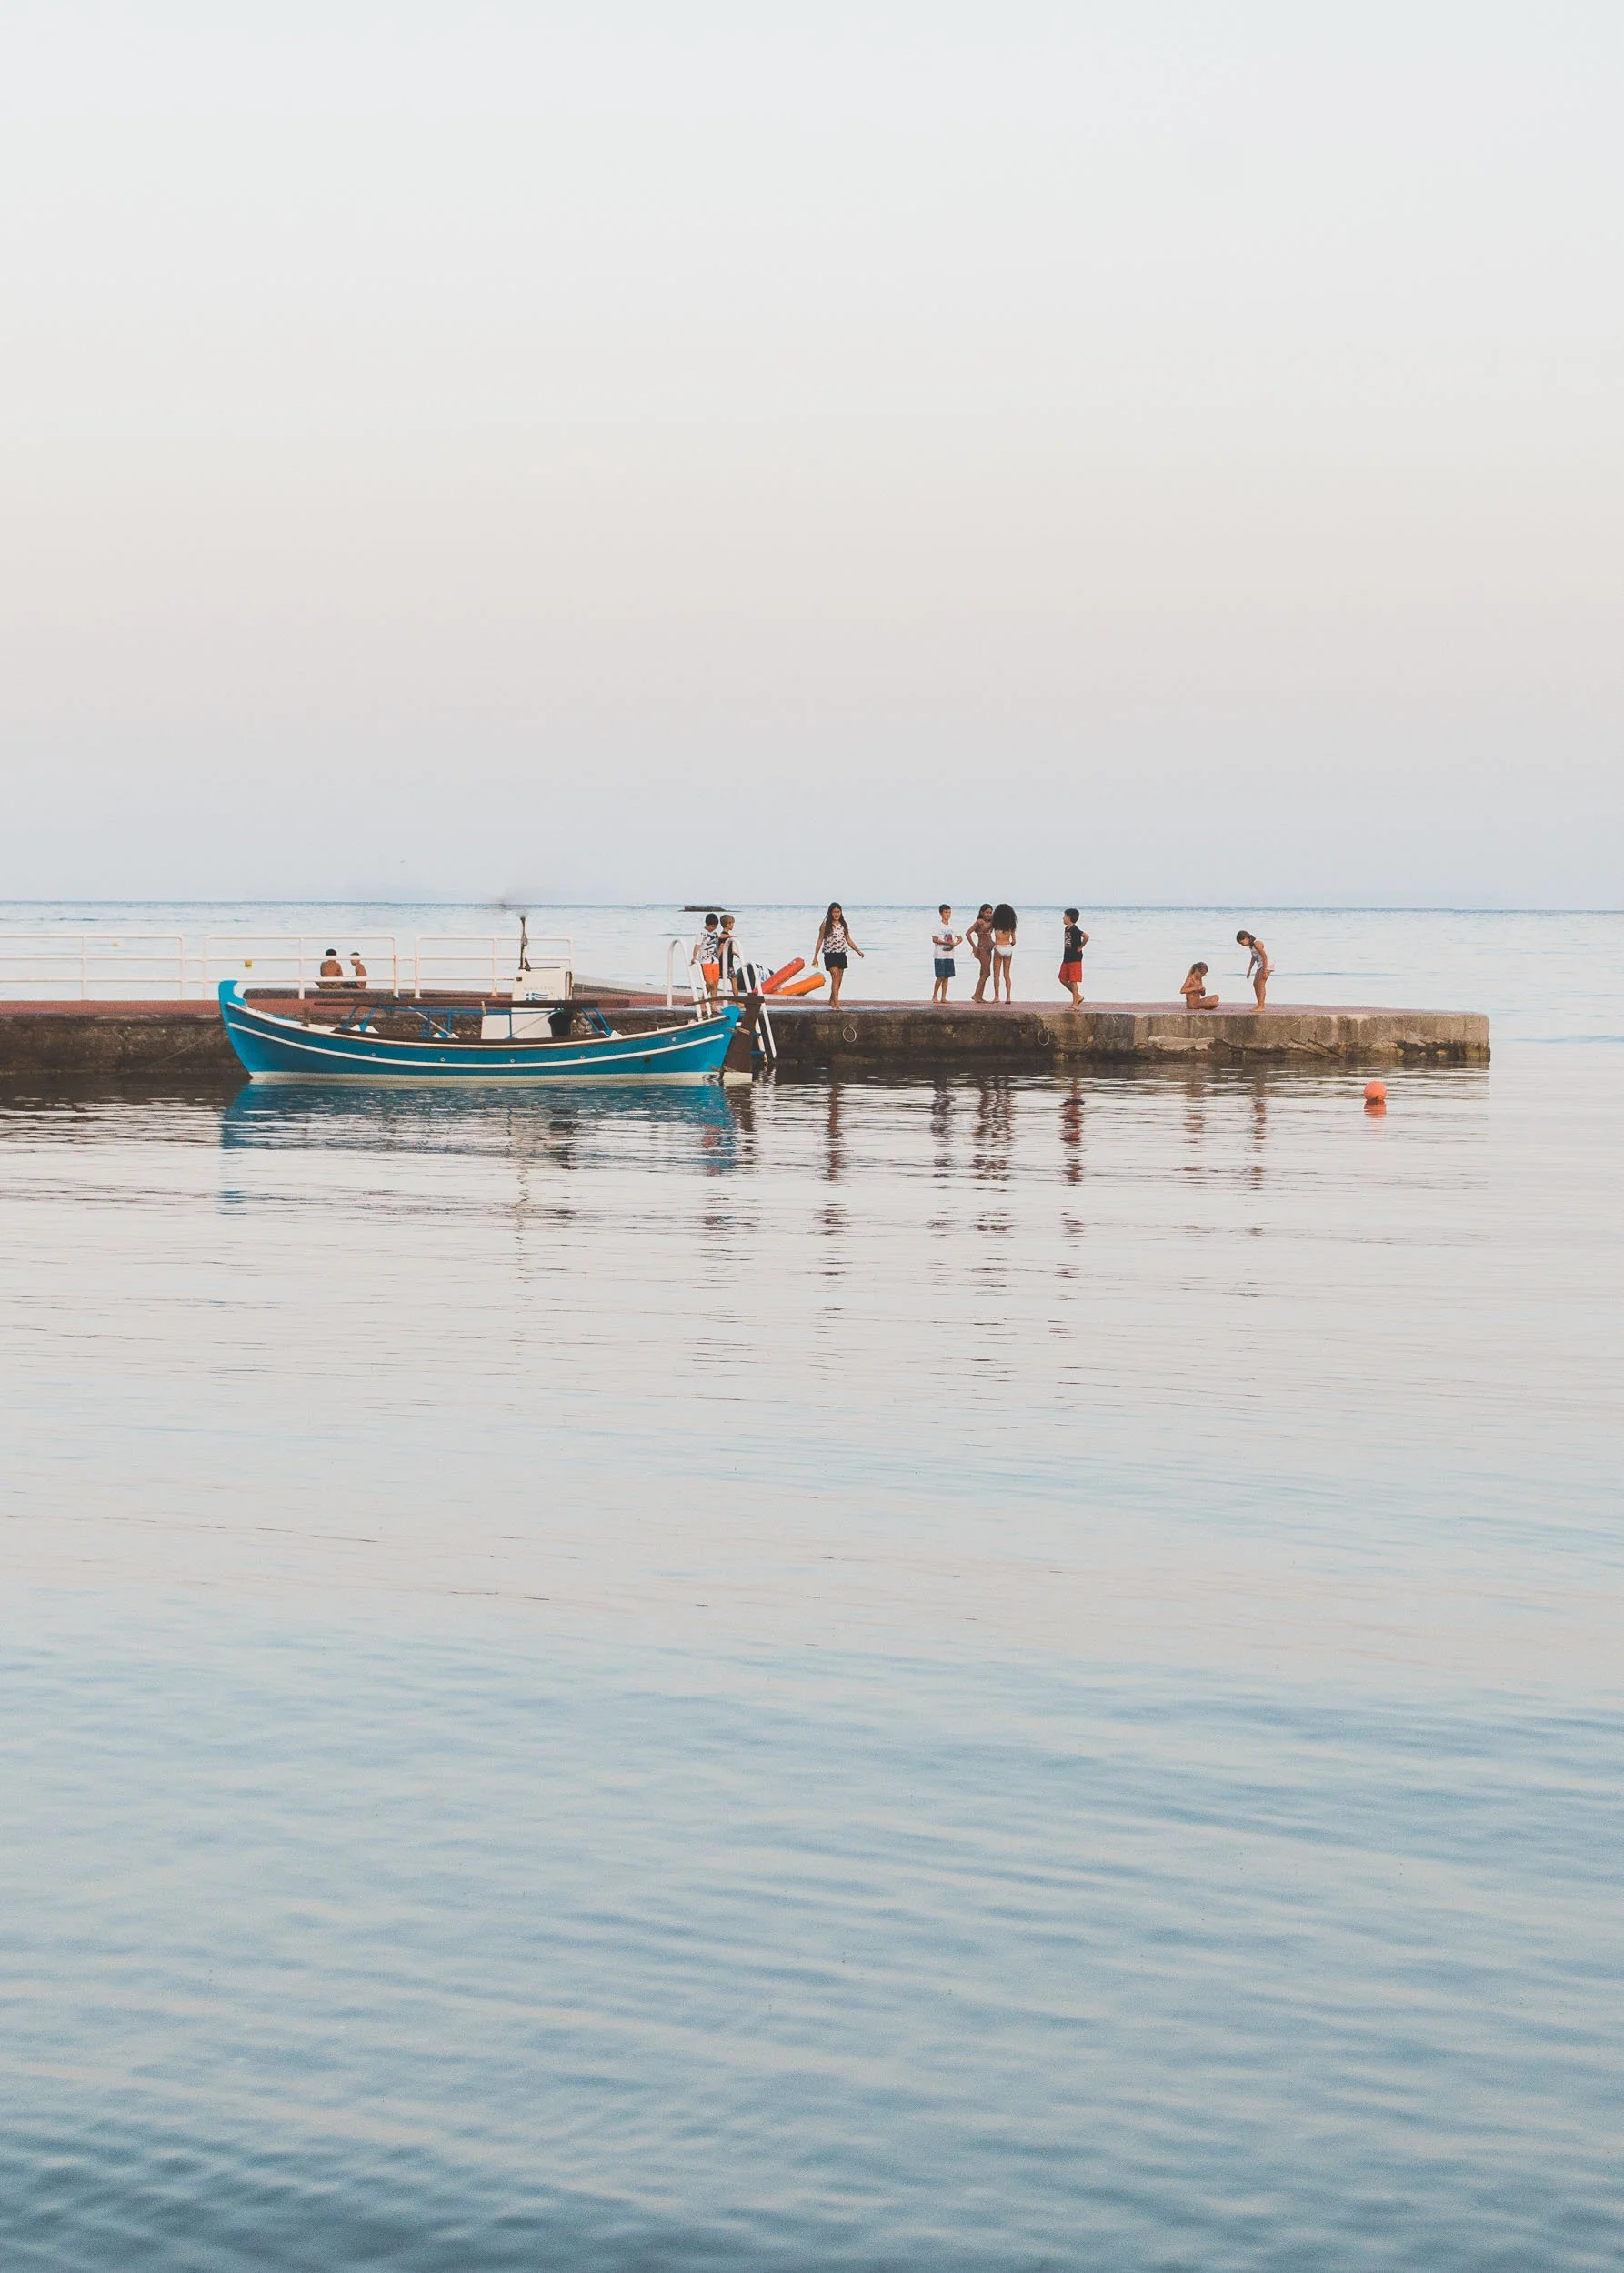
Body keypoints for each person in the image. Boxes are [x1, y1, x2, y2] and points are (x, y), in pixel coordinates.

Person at [812, 903, 864, 1006]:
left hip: (841, 954)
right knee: (835, 977)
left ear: (841, 912)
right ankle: (836, 1004)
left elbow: (848, 940)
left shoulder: (843, 924)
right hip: (830, 954)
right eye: (834, 912)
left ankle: (831, 1001)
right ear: (830, 913)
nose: (836, 914)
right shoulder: (825, 925)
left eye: (838, 912)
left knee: (838, 981)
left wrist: (858, 951)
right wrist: (815, 956)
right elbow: (820, 940)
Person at [1058, 909, 1089, 1006]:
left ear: (1069, 918)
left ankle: (1075, 1004)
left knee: (1073, 981)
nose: (1063, 918)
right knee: (1062, 979)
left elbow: (1086, 936)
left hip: (1075, 959)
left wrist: (1080, 947)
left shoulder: (1075, 929)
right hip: (1067, 958)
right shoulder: (1066, 929)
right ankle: (1078, 996)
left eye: (1064, 916)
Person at [966, 904, 996, 1003]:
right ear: (982, 912)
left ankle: (979, 996)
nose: (989, 914)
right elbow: (968, 933)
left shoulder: (991, 922)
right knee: (987, 973)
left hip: (989, 949)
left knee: (983, 973)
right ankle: (976, 995)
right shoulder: (980, 922)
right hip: (982, 949)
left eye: (991, 912)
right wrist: (974, 947)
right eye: (987, 912)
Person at [931, 906, 961, 1003]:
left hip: (950, 955)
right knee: (940, 976)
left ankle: (943, 997)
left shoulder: (952, 927)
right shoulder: (938, 926)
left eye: (949, 912)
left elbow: (960, 938)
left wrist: (955, 944)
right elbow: (935, 940)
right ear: (941, 913)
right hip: (940, 955)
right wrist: (947, 943)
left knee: (947, 977)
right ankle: (935, 995)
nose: (948, 914)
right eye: (946, 912)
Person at [1237, 929, 1273, 1009]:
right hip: (1260, 965)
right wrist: (1249, 970)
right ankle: (1259, 1004)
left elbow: (1264, 956)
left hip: (1267, 964)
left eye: (1242, 943)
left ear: (1246, 938)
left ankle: (1261, 1006)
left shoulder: (1257, 944)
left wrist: (1265, 970)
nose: (1242, 945)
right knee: (1255, 984)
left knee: (1261, 984)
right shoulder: (1251, 946)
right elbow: (1254, 957)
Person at [690, 913, 722, 999]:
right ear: (706, 924)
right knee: (710, 983)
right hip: (705, 961)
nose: (713, 929)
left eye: (715, 927)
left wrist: (719, 956)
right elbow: (697, 945)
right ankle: (704, 999)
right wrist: (694, 957)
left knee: (715, 983)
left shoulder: (715, 933)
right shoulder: (702, 933)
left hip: (715, 961)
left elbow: (717, 945)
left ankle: (713, 1005)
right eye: (711, 926)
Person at [990, 903, 1018, 1003]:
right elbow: (1014, 941)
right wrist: (1009, 942)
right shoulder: (1011, 925)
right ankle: (1008, 997)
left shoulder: (995, 924)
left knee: (996, 975)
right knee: (1007, 974)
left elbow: (988, 934)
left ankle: (997, 997)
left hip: (998, 947)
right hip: (1008, 948)